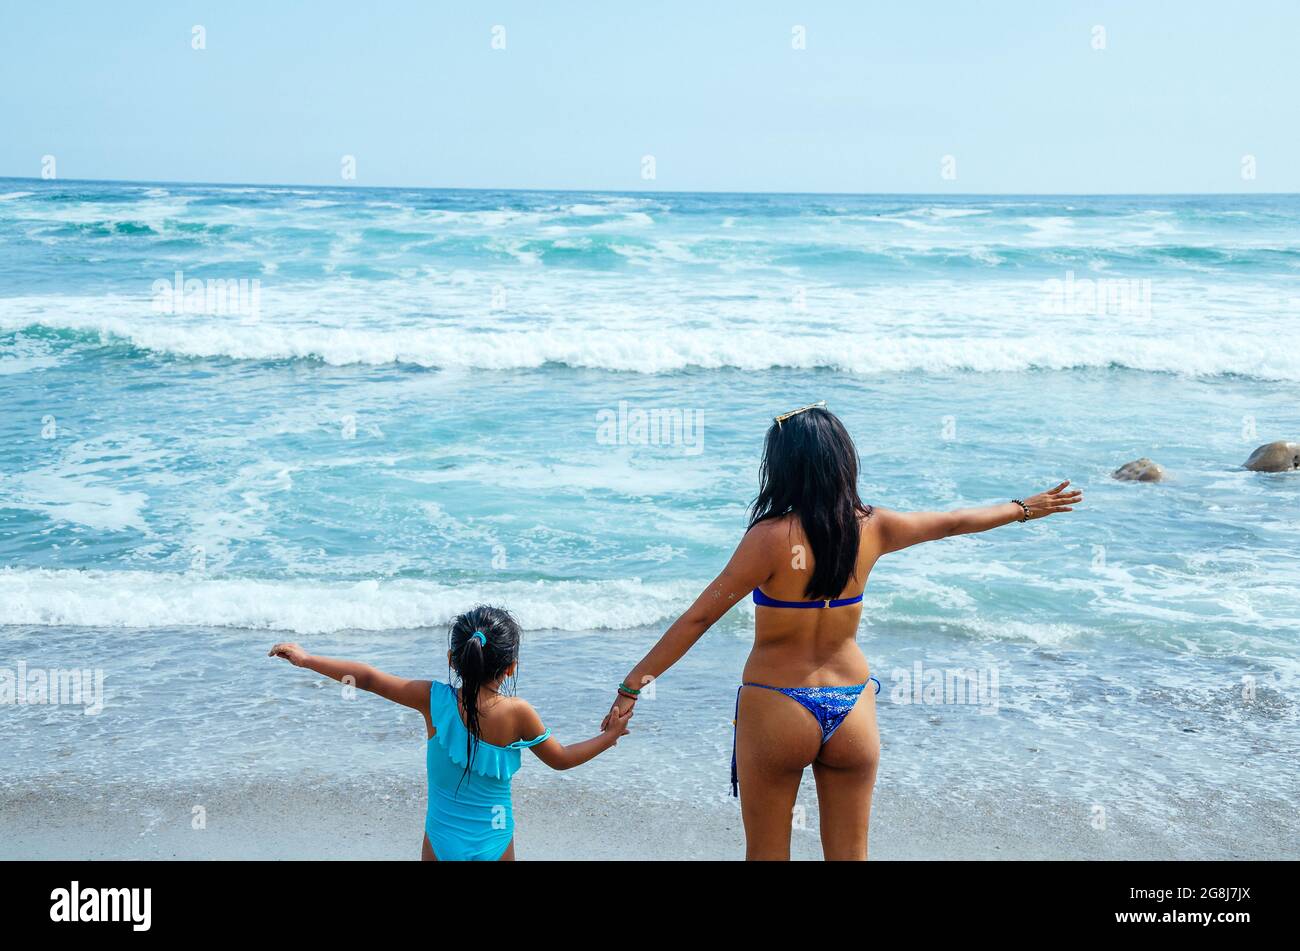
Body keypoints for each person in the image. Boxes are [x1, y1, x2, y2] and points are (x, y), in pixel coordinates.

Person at [604, 401, 1081, 859]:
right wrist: (1022, 507)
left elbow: (699, 617)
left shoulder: (769, 539)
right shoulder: (874, 526)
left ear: (785, 466)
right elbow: (954, 522)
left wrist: (633, 686)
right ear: (842, 461)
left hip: (778, 703)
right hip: (852, 706)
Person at [271, 604, 632, 860]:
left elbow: (366, 677)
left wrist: (307, 659)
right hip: (495, 838)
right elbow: (563, 760)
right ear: (511, 668)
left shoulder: (433, 699)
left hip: (442, 839)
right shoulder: (518, 713)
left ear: (451, 659)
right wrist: (609, 737)